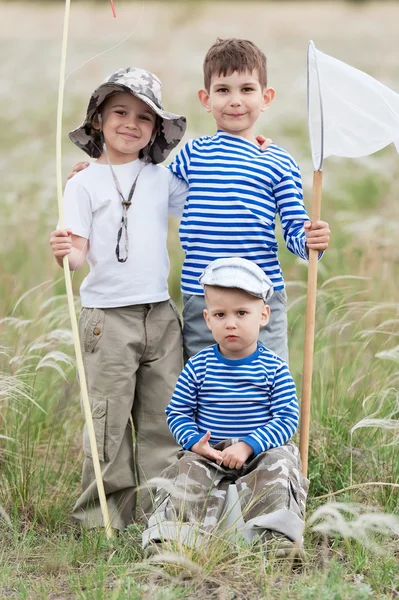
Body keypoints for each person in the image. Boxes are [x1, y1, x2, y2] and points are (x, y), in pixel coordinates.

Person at [49, 67, 189, 529]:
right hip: (107, 319)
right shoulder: (82, 182)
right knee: (107, 422)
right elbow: (78, 255)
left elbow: (205, 200)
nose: (131, 123)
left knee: (164, 418)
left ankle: (161, 515)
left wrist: (253, 149)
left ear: (155, 130)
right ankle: (102, 519)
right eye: (120, 113)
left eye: (144, 117)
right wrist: (66, 252)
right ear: (98, 122)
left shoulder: (161, 177)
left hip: (160, 315)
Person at [169, 38, 330, 362]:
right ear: (205, 98)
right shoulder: (192, 153)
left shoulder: (278, 161)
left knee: (266, 384)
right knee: (207, 386)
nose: (235, 101)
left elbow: (295, 232)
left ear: (265, 97)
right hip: (204, 297)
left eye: (246, 89)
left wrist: (313, 239)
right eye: (223, 90)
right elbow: (148, 189)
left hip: (260, 295)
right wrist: (99, 172)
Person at [142, 257, 309, 559]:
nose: (230, 323)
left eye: (242, 313)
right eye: (220, 314)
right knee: (185, 470)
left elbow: (287, 417)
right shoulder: (199, 365)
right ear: (207, 319)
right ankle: (170, 540)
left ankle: (277, 539)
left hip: (259, 451)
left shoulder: (273, 367)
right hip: (212, 452)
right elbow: (178, 411)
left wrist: (248, 445)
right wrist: (196, 443)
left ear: (263, 315)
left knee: (279, 466)